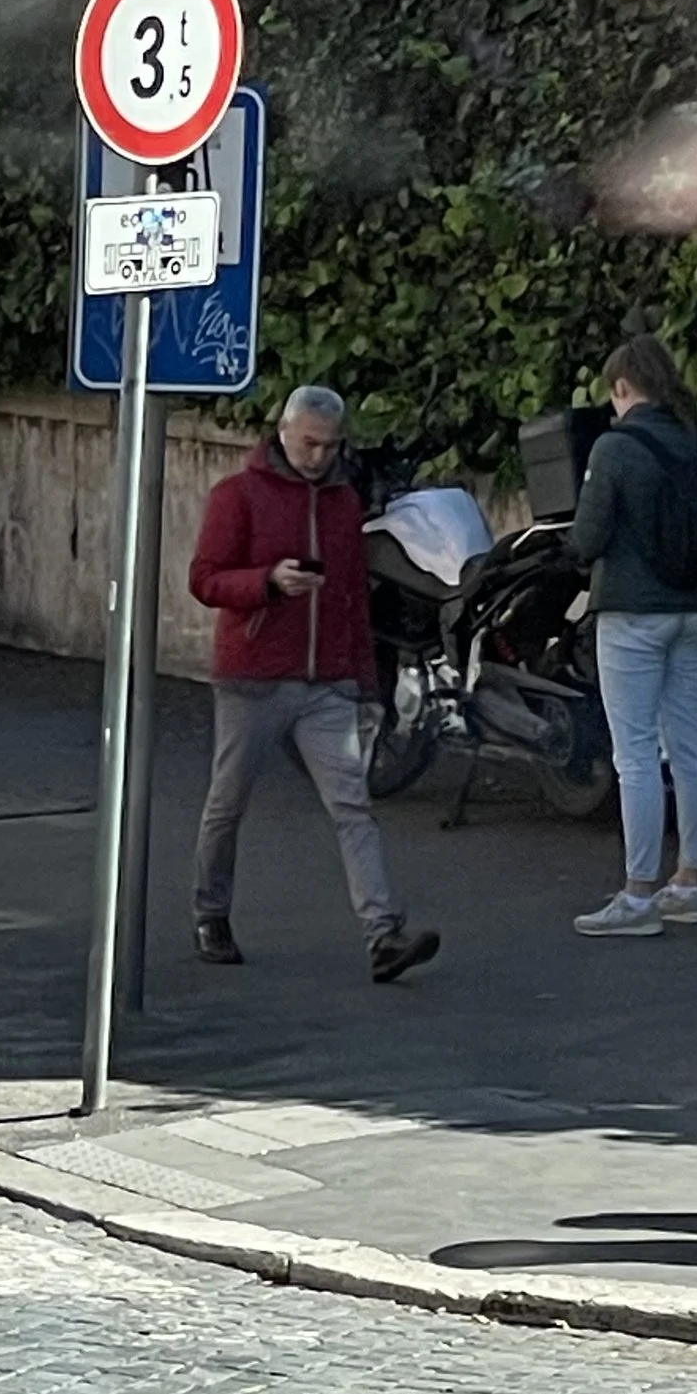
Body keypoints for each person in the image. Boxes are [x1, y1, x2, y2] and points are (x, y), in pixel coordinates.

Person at [188, 383, 441, 983]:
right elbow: (204, 579)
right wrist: (268, 582)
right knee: (228, 803)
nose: (318, 456)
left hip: (324, 684)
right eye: (309, 443)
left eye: (329, 446)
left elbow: (353, 597)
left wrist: (363, 684)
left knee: (353, 805)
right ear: (283, 433)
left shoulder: (342, 502)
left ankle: (384, 934)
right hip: (252, 678)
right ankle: (210, 913)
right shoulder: (238, 495)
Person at [567, 333, 697, 937]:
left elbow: (586, 540)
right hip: (695, 610)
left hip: (633, 615)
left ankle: (637, 896)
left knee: (634, 752)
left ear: (623, 387)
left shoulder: (614, 448)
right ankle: (688, 883)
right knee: (687, 744)